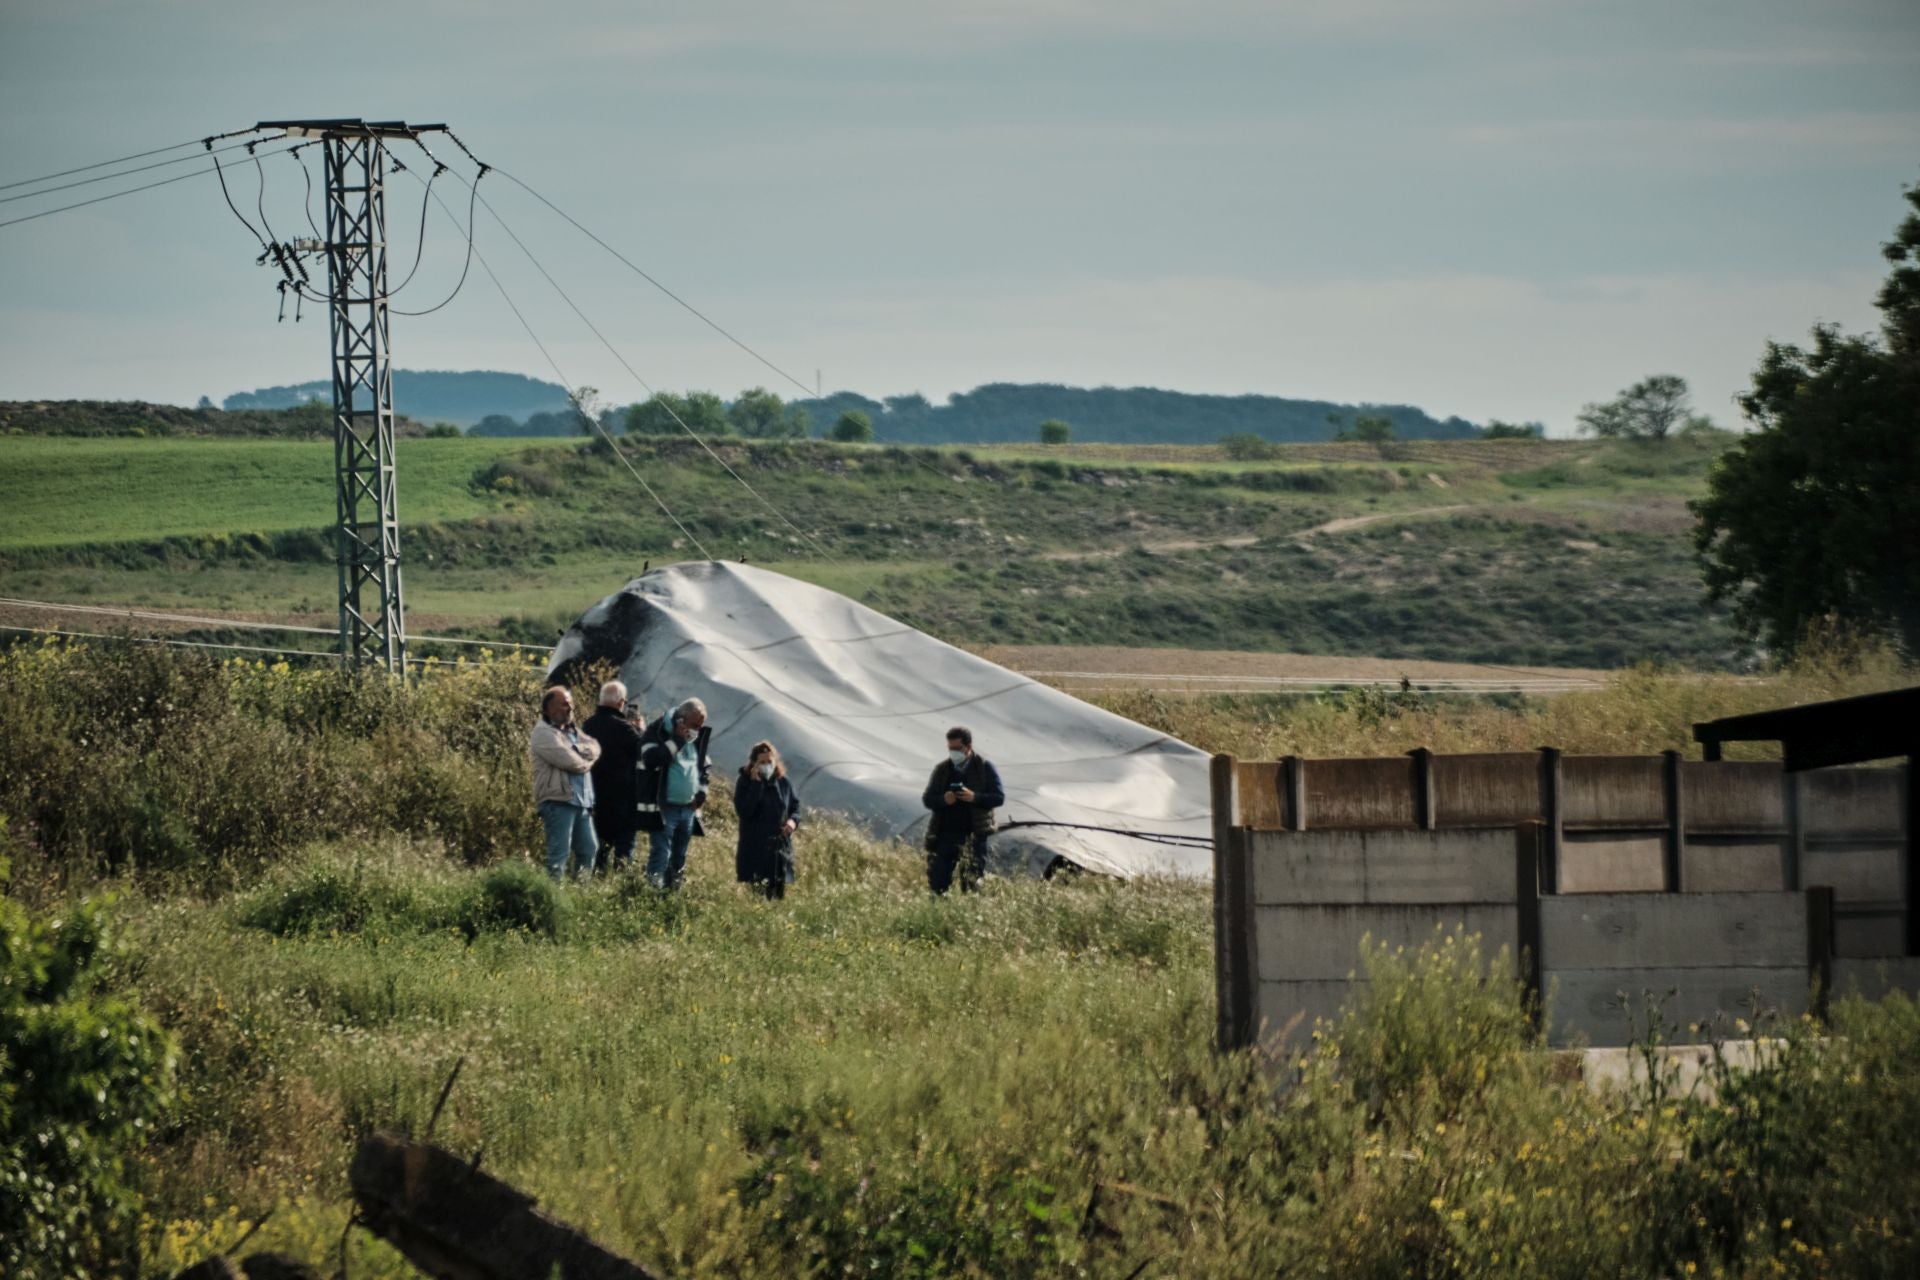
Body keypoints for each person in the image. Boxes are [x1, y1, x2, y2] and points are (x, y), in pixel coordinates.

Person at [637, 696, 711, 889]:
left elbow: (703, 767)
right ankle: (652, 895)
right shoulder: (658, 731)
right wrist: (677, 740)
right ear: (681, 719)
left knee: (679, 857)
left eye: (700, 726)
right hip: (664, 808)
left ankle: (672, 896)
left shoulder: (696, 736)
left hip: (687, 808)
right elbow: (652, 759)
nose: (697, 730)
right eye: (694, 725)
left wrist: (701, 792)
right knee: (661, 853)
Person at [529, 685, 601, 882]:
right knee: (558, 856)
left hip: (582, 801)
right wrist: (585, 760)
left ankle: (580, 894)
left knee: (589, 849)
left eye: (570, 704)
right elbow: (569, 762)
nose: (569, 708)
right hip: (558, 801)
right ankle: (554, 900)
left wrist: (578, 750)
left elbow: (595, 747)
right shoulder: (542, 733)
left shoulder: (573, 731)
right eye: (564, 704)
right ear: (550, 708)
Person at [920, 725, 1004, 895]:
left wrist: (975, 797)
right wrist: (943, 800)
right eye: (951, 749)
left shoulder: (984, 767)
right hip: (945, 836)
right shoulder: (943, 770)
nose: (954, 753)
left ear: (969, 747)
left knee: (971, 886)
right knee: (937, 885)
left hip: (973, 837)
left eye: (957, 749)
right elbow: (928, 799)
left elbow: (998, 797)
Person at [581, 679, 644, 873]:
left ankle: (596, 881)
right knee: (624, 850)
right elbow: (642, 751)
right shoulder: (625, 729)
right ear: (621, 703)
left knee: (599, 847)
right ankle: (620, 884)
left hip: (595, 795)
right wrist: (640, 728)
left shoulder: (587, 725)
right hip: (623, 798)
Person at [732, 740, 801, 900]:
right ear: (754, 764)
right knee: (758, 895)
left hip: (779, 849)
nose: (766, 765)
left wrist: (792, 822)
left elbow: (795, 808)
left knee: (777, 895)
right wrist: (756, 785)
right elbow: (744, 811)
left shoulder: (783, 782)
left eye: (769, 761)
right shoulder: (745, 782)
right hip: (756, 848)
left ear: (775, 761)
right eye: (761, 762)